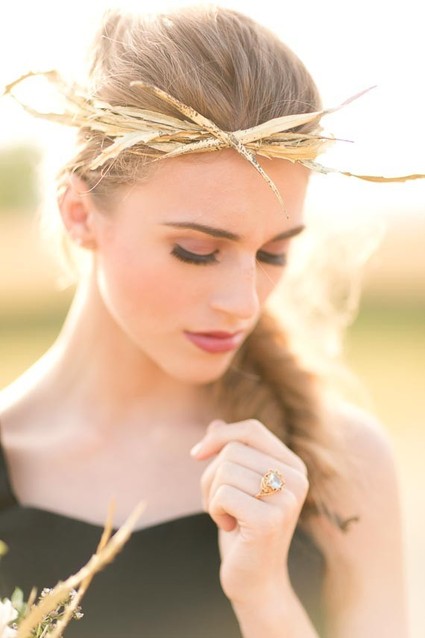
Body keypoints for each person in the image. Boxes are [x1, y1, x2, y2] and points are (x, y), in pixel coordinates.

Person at [0, 5, 410, 637]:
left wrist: (266, 598)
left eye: (273, 253)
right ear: (80, 214)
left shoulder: (342, 465)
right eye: (197, 251)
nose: (244, 303)